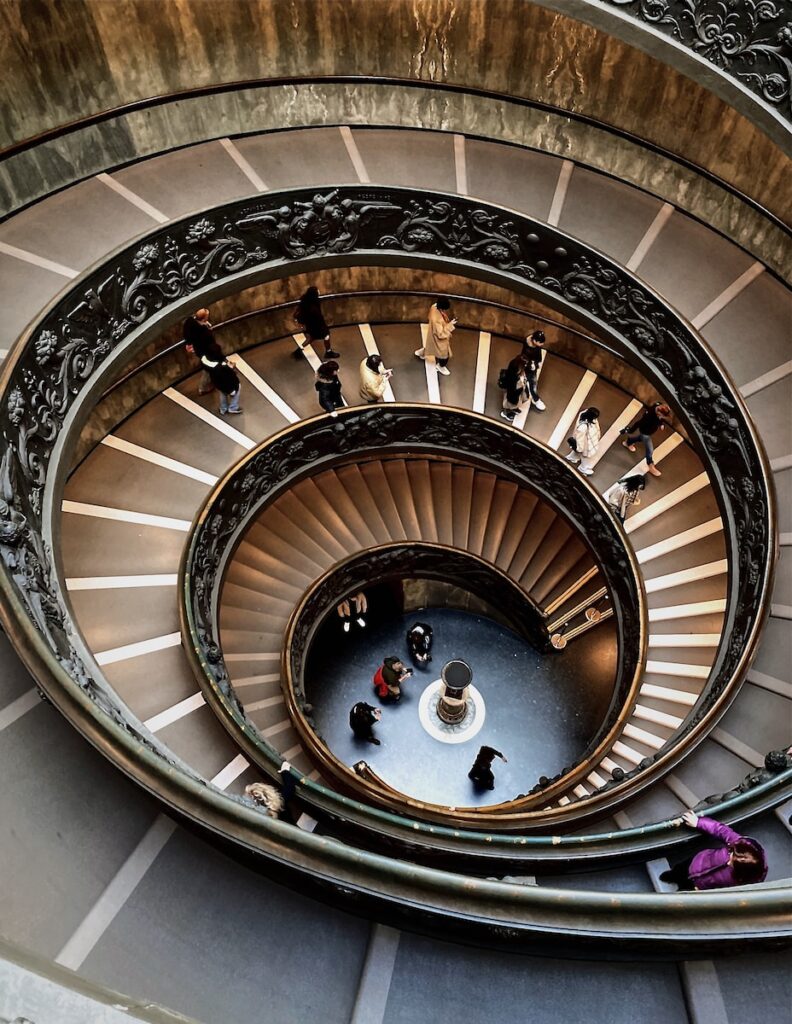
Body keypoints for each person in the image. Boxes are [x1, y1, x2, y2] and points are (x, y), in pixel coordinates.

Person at [660, 810, 767, 890]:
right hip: (697, 862)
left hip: (701, 884)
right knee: (678, 870)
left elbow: (727, 892)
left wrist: (702, 890)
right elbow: (720, 830)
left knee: (683, 892)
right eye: (731, 854)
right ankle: (672, 875)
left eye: (733, 864)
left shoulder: (745, 881)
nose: (728, 861)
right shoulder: (739, 844)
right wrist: (698, 823)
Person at [621, 401, 671, 477]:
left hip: (648, 431)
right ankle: (650, 465)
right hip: (645, 432)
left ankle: (628, 442)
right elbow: (640, 423)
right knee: (649, 449)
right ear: (659, 413)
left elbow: (660, 419)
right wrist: (631, 430)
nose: (662, 417)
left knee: (640, 438)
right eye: (662, 416)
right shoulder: (650, 416)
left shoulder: (657, 405)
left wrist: (660, 423)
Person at [294, 286, 338, 359]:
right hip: (317, 326)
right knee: (326, 336)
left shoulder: (305, 301)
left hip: (310, 325)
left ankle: (299, 350)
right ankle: (328, 352)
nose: (319, 292)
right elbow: (318, 318)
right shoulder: (313, 305)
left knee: (311, 338)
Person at [415, 297, 456, 375]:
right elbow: (440, 334)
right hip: (439, 338)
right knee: (445, 355)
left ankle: (423, 353)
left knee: (431, 345)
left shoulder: (434, 307)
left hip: (432, 334)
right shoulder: (437, 319)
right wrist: (450, 325)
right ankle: (440, 366)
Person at [183, 308, 216, 394]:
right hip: (204, 351)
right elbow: (208, 340)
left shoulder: (189, 321)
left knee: (209, 367)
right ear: (204, 319)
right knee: (208, 368)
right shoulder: (202, 330)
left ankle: (210, 382)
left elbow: (186, 332)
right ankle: (203, 387)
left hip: (199, 350)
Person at [200, 349, 242, 414]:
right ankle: (233, 407)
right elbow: (229, 375)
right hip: (229, 384)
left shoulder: (206, 361)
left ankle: (223, 408)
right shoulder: (222, 367)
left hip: (217, 383)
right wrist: (231, 367)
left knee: (223, 393)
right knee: (237, 388)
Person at [566, 407, 601, 475]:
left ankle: (572, 458)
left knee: (577, 453)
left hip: (585, 441)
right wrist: (579, 449)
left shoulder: (583, 414)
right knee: (585, 457)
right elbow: (580, 439)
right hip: (586, 444)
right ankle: (583, 468)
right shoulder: (583, 427)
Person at [519, 330, 546, 411]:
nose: (542, 344)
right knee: (533, 383)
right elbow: (525, 358)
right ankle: (536, 399)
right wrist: (532, 365)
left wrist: (538, 362)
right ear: (535, 341)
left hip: (532, 365)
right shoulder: (528, 349)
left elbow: (538, 353)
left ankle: (529, 393)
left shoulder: (535, 345)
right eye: (540, 342)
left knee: (531, 382)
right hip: (529, 367)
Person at [500, 353, 530, 422]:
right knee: (509, 403)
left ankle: (513, 409)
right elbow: (513, 387)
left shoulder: (515, 365)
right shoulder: (513, 375)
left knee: (514, 401)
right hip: (513, 390)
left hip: (515, 389)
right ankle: (506, 413)